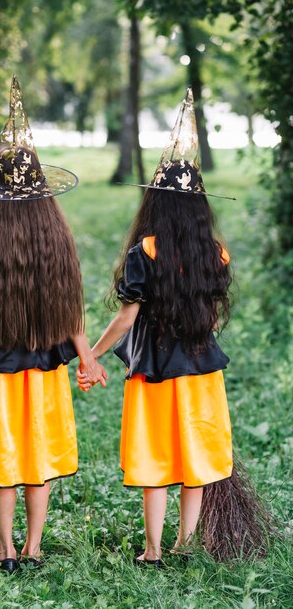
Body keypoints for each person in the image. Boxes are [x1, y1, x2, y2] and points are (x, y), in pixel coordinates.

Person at [0, 76, 106, 574]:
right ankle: (33, 546)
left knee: (4, 456)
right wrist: (87, 357)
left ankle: (6, 549)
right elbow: (72, 307)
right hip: (44, 368)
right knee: (38, 452)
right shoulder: (57, 239)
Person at [78, 88, 234, 566]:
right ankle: (187, 544)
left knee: (154, 457)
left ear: (157, 203)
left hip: (152, 369)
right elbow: (210, 315)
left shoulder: (145, 250)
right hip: (201, 370)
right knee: (193, 458)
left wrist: (93, 356)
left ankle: (152, 551)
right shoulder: (217, 252)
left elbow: (127, 315)